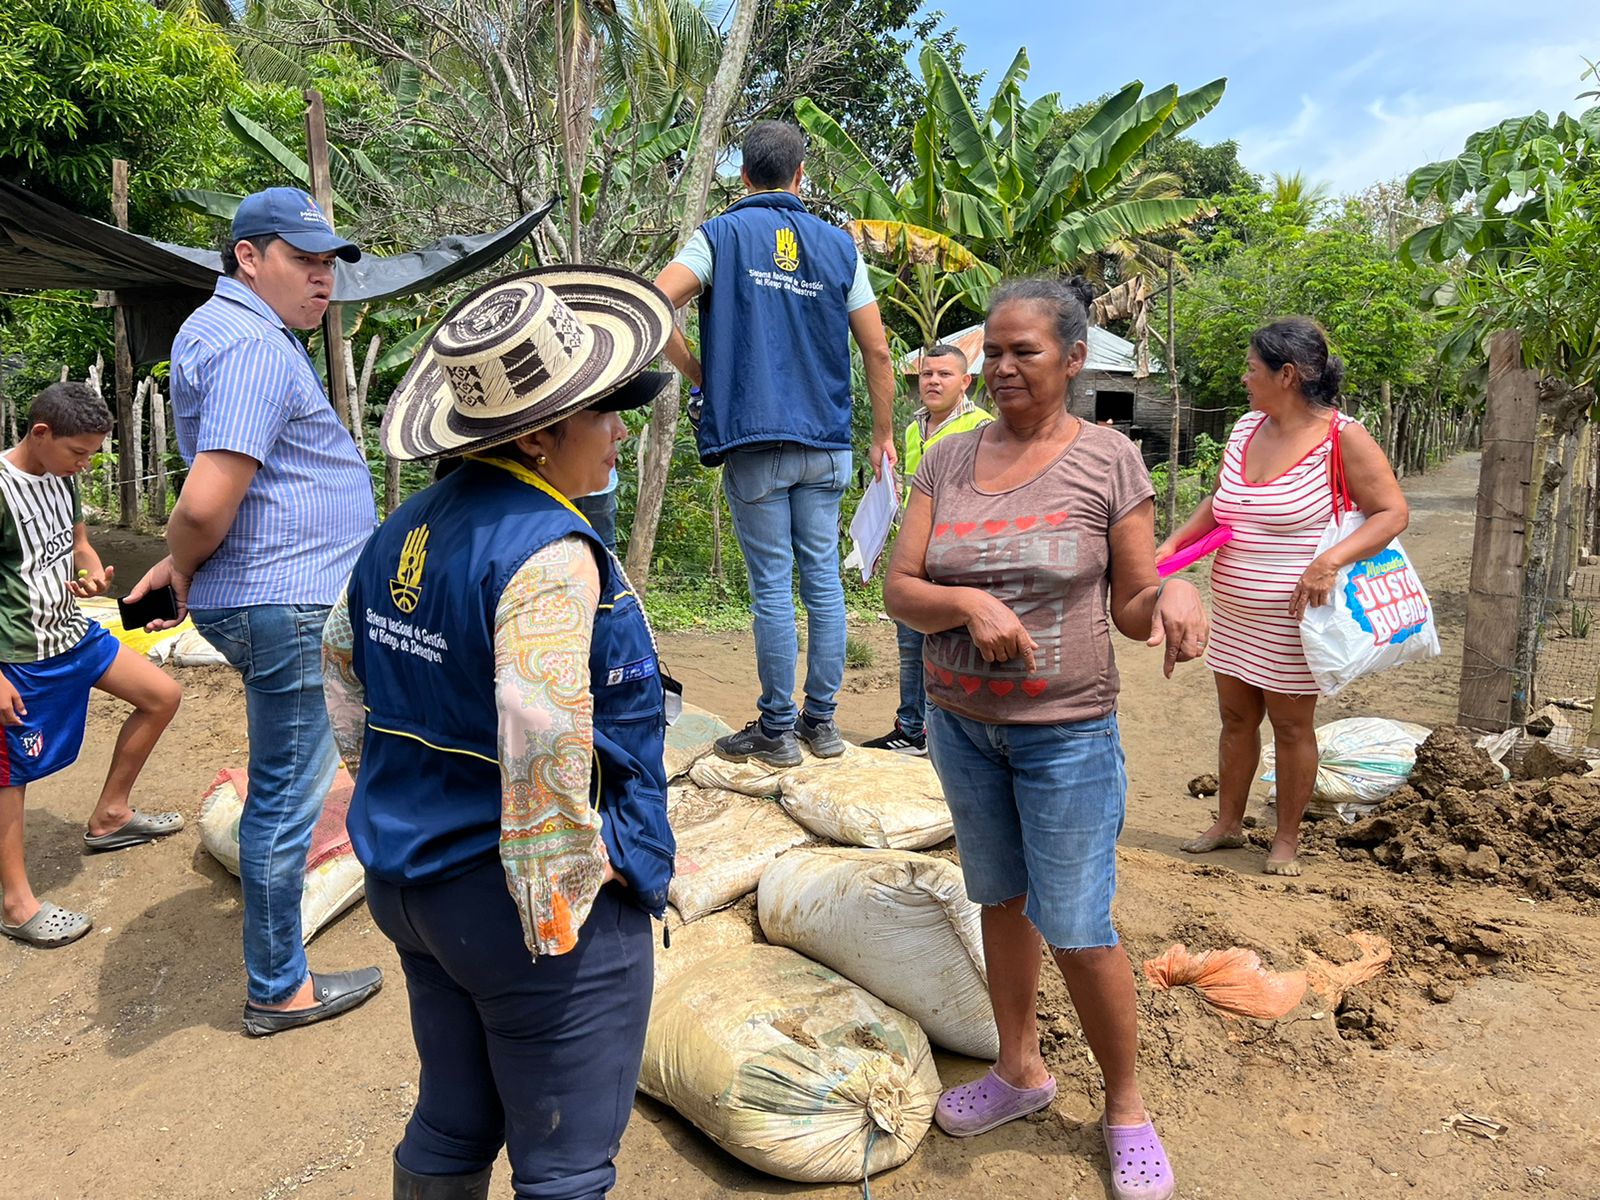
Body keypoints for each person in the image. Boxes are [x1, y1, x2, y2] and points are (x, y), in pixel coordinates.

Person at [324, 266, 675, 1199]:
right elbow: (537, 719)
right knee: (563, 1165)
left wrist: (382, 786)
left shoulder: (405, 527)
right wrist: (561, 895)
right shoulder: (549, 552)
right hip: (513, 904)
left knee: (452, 1117)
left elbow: (341, 663)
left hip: (412, 879)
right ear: (538, 433)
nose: (617, 431)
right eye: (603, 412)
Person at [884, 277, 1207, 1200]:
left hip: (1065, 732)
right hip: (960, 726)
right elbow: (899, 589)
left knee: (1076, 922)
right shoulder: (946, 463)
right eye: (993, 350)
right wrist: (968, 601)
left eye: (1024, 351)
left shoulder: (1109, 460)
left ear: (1073, 360)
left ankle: (1126, 1108)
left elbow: (1137, 605)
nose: (1002, 367)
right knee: (1000, 899)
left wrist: (1179, 595)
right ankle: (1020, 1071)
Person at [126, 187, 382, 1034]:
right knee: (286, 797)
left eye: (327, 266)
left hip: (274, 591)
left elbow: (235, 492)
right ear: (247, 256)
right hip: (293, 603)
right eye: (303, 261)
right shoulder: (254, 349)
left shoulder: (221, 331)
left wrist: (177, 564)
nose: (323, 281)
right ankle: (279, 988)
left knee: (315, 766)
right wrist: (186, 554)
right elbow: (205, 504)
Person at [654, 119, 897, 769]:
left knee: (770, 588)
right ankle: (822, 725)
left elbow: (655, 305)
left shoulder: (720, 235)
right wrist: (881, 436)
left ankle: (776, 730)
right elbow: (876, 349)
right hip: (827, 441)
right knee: (823, 581)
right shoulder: (840, 248)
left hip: (754, 439)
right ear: (800, 177)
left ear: (742, 176)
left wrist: (700, 374)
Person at [1158, 318, 1408, 875]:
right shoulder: (1248, 428)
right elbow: (1222, 502)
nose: (1244, 378)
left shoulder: (1343, 437)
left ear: (1287, 375)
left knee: (1292, 726)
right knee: (1235, 720)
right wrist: (1175, 542)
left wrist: (1328, 562)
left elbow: (1393, 512)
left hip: (1297, 620)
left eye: (1252, 368)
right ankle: (1226, 824)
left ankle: (1286, 841)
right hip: (1236, 612)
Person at [0, 383, 183, 948]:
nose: (85, 464)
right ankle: (13, 902)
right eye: (79, 453)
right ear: (40, 433)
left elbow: (78, 541)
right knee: (10, 775)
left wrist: (93, 571)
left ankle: (110, 816)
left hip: (73, 633)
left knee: (162, 696)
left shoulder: (63, 477)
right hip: (21, 653)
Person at [863, 344, 990, 756]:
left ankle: (948, 736)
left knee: (954, 649)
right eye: (926, 374)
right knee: (909, 648)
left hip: (957, 562)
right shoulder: (914, 428)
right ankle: (911, 729)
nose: (933, 381)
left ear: (965, 381)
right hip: (916, 560)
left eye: (944, 374)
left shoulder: (982, 428)